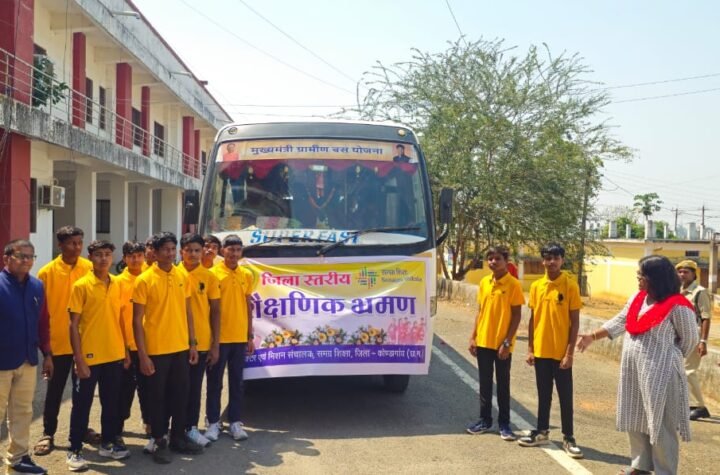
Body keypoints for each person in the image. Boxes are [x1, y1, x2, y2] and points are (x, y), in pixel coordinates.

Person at [577, 255, 698, 475]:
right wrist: (592, 336)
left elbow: (689, 340)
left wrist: (665, 359)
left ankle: (665, 471)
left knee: (660, 425)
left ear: (656, 278)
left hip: (661, 375)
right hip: (634, 371)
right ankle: (640, 466)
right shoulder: (638, 298)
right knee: (636, 417)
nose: (638, 279)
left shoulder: (678, 306)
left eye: (642, 275)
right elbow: (621, 320)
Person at [132, 232, 203, 464]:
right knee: (157, 398)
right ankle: (159, 440)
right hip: (156, 350)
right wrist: (143, 355)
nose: (170, 253)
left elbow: (188, 311)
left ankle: (178, 438)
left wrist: (192, 344)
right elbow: (137, 320)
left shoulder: (182, 275)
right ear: (155, 252)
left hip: (180, 348)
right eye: (166, 249)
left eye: (173, 249)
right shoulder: (144, 280)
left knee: (181, 395)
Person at [66, 240, 129, 471]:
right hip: (89, 357)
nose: (103, 258)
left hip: (114, 354)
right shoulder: (81, 285)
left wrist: (125, 351)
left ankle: (107, 443)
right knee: (82, 405)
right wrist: (79, 359)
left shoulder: (118, 283)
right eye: (99, 254)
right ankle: (74, 449)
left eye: (107, 254)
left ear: (112, 258)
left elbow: (120, 318)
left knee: (111, 403)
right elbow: (73, 325)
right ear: (90, 257)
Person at [34, 226, 95, 457]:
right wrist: (45, 348)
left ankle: (82, 428)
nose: (76, 247)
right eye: (71, 243)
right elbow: (40, 312)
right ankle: (48, 432)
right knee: (55, 390)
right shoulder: (47, 273)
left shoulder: (89, 268)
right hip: (57, 343)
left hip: (85, 341)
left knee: (83, 391)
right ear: (60, 245)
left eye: (79, 242)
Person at [517, 243, 583, 459]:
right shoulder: (537, 286)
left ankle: (569, 437)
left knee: (565, 396)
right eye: (547, 258)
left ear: (562, 260)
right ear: (542, 261)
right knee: (543, 394)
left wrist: (569, 353)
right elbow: (533, 319)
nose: (551, 262)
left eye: (556, 257)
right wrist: (530, 349)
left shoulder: (570, 285)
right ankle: (542, 432)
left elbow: (575, 322)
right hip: (541, 351)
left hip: (561, 353)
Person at [0, 239, 52, 475]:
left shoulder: (37, 286)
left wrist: (47, 354)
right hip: (2, 361)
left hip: (28, 360)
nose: (27, 261)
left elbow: (43, 323)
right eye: (21, 256)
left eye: (31, 256)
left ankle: (18, 458)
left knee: (22, 412)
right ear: (6, 258)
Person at [466, 246, 524, 441]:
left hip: (502, 345)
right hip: (483, 341)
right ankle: (485, 420)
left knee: (503, 384)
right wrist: (473, 337)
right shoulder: (484, 282)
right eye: (490, 259)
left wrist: (507, 342)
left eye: (497, 258)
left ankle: (504, 424)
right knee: (484, 383)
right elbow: (480, 311)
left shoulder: (513, 284)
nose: (493, 262)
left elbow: (516, 315)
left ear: (506, 261)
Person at [207, 235, 255, 441]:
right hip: (218, 339)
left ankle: (235, 422)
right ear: (222, 250)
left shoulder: (246, 274)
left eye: (238, 250)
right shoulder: (212, 274)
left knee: (237, 382)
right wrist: (212, 340)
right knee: (214, 383)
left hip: (239, 337)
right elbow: (209, 309)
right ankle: (213, 422)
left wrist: (249, 335)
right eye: (230, 249)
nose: (234, 254)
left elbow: (248, 305)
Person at [177, 233, 221, 447]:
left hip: (202, 341)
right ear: (181, 252)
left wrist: (215, 344)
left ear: (202, 251)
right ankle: (169, 430)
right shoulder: (173, 274)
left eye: (197, 250)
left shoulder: (210, 277)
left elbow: (216, 311)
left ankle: (191, 427)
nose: (193, 254)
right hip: (174, 341)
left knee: (194, 388)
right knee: (174, 389)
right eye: (189, 250)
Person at [116, 241, 150, 439]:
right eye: (131, 256)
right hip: (126, 345)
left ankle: (149, 422)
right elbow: (116, 316)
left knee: (148, 388)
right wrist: (124, 348)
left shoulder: (151, 277)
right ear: (124, 258)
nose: (136, 260)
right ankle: (119, 423)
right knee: (124, 389)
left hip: (149, 345)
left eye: (139, 255)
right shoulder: (117, 282)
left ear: (144, 256)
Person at [674, 260, 712, 421]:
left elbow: (706, 317)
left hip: (694, 335)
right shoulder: (677, 291)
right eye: (680, 271)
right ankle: (687, 404)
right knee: (678, 371)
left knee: (688, 371)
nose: (682, 274)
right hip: (679, 336)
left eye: (686, 272)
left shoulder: (699, 292)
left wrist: (703, 341)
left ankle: (699, 406)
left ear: (694, 274)